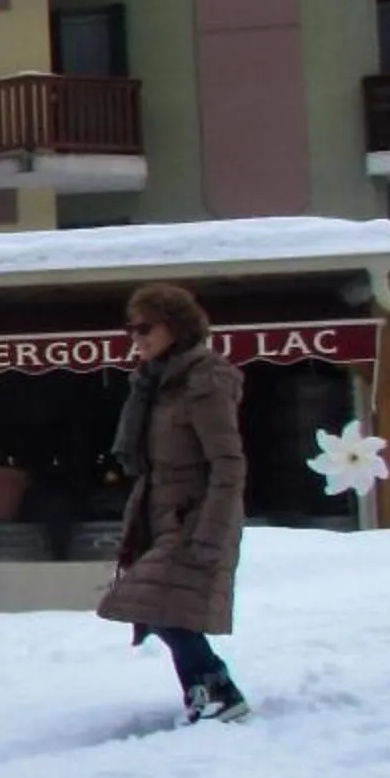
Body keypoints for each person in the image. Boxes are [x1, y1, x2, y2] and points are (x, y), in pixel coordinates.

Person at [96, 282, 253, 723]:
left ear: (175, 327)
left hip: (196, 516)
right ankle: (204, 693)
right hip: (160, 514)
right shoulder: (156, 384)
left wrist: (210, 530)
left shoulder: (205, 380)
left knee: (155, 603)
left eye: (146, 327)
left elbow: (228, 463)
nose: (137, 337)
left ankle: (218, 690)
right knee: (163, 607)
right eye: (131, 329)